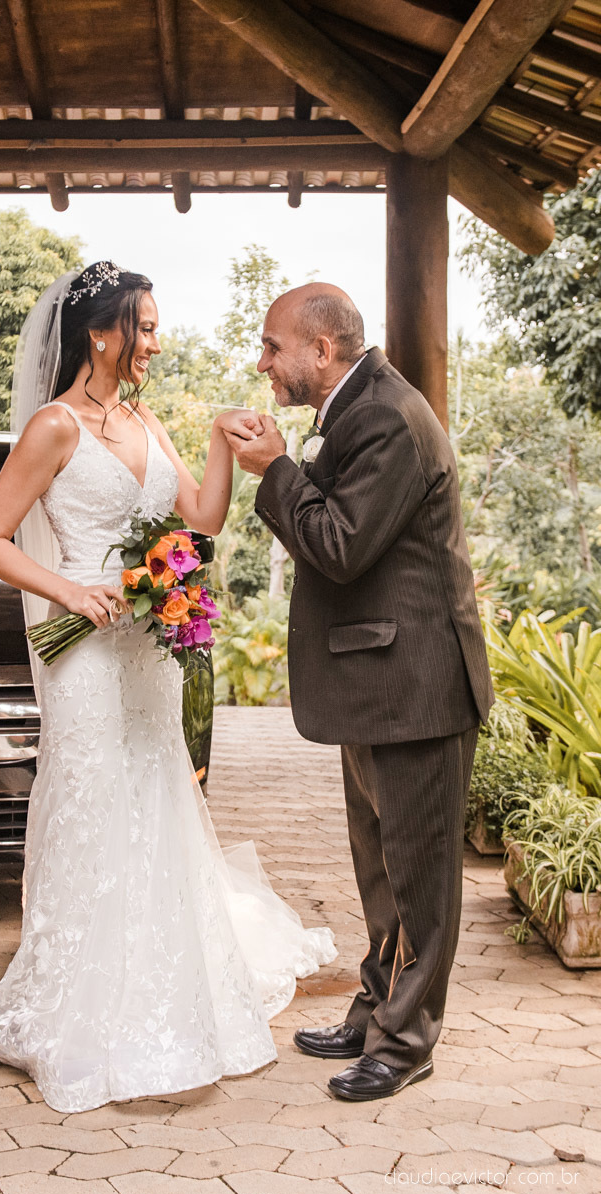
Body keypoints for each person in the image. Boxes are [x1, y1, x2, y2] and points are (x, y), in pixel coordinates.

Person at [0, 263, 337, 1114]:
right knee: (95, 801)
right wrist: (69, 591)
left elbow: (200, 521)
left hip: (148, 650)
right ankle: (79, 994)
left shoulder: (144, 419)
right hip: (87, 655)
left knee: (158, 795)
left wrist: (219, 442)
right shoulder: (54, 427)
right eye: (148, 327)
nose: (158, 343)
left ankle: (164, 980)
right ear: (101, 334)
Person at [224, 282, 493, 1103]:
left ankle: (406, 1042)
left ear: (323, 349)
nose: (264, 363)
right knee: (382, 871)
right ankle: (377, 1009)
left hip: (417, 688)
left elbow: (339, 545)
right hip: (378, 683)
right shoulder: (355, 407)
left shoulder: (384, 416)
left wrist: (276, 468)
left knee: (420, 879)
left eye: (273, 347)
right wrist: (287, 464)